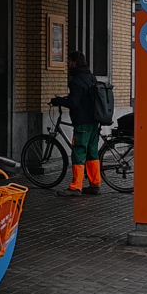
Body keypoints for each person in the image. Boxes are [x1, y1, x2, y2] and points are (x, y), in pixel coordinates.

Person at [50, 51, 101, 197]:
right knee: (92, 153)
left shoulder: (76, 81)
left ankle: (75, 187)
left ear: (75, 63)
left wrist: (58, 101)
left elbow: (74, 103)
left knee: (78, 152)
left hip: (82, 122)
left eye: (69, 61)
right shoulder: (91, 77)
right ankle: (95, 184)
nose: (68, 63)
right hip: (93, 121)